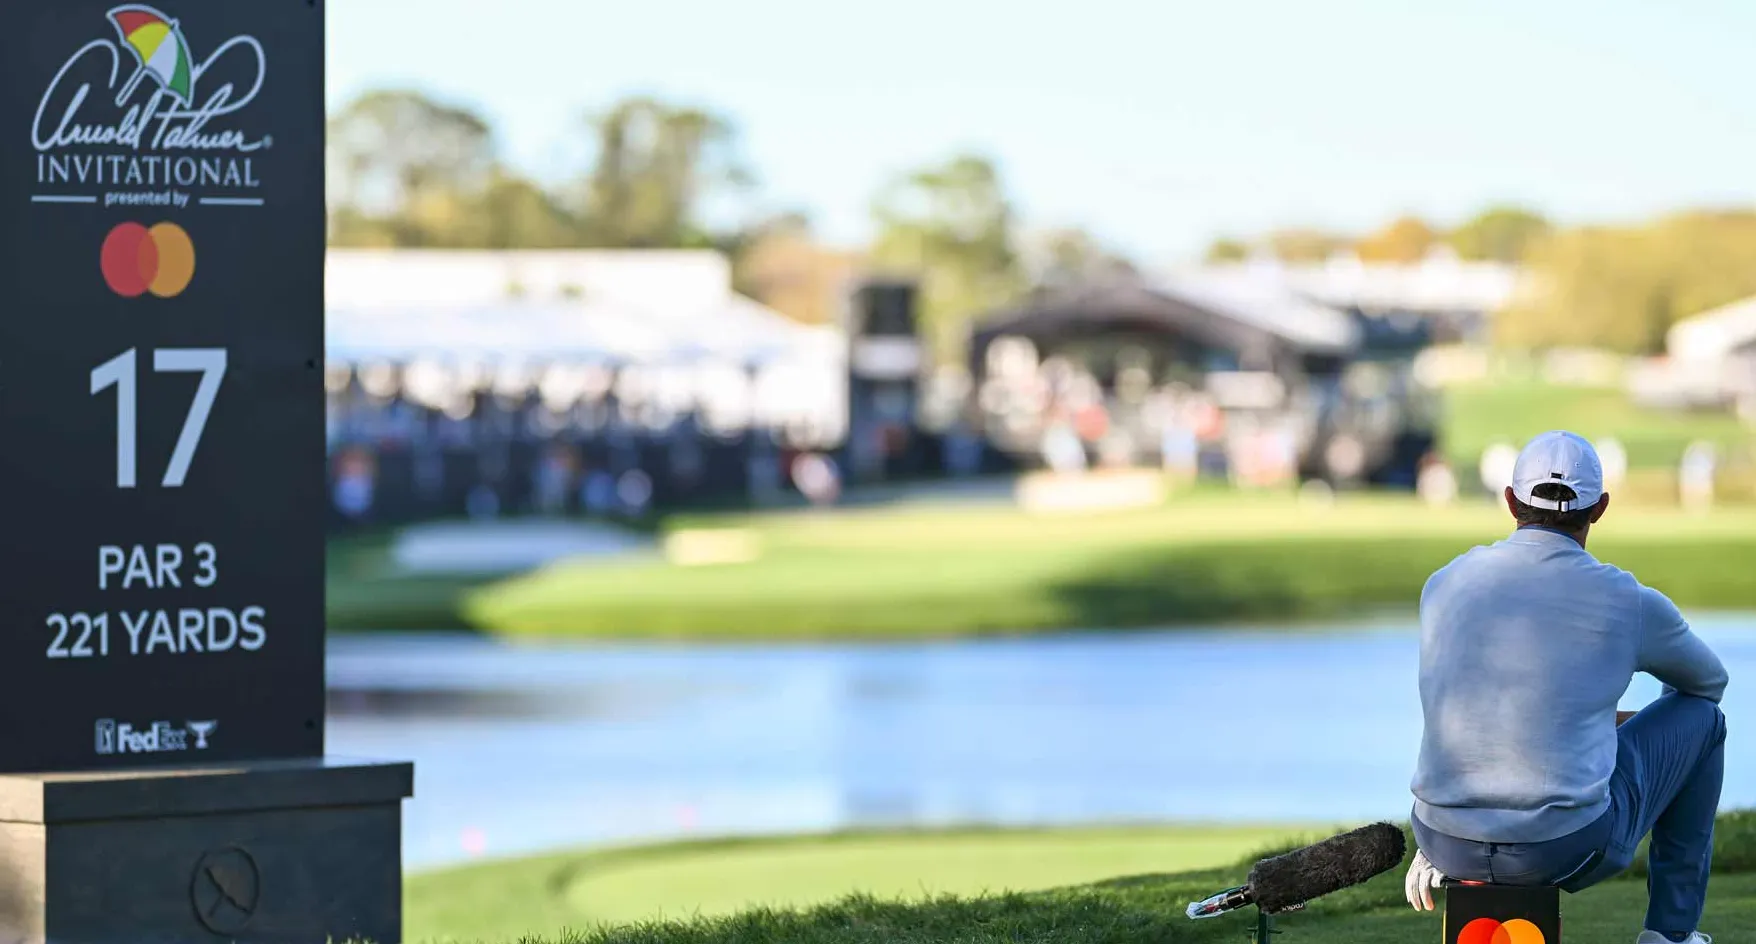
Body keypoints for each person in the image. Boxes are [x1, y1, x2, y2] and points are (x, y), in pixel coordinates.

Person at [1403, 430, 1728, 944]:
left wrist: (1589, 724)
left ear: (1510, 500)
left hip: (1442, 838)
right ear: (1599, 509)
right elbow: (1707, 686)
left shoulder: (1445, 582)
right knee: (1706, 722)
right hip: (1563, 847)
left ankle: (1460, 861)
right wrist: (1603, 726)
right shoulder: (1628, 600)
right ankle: (1670, 934)